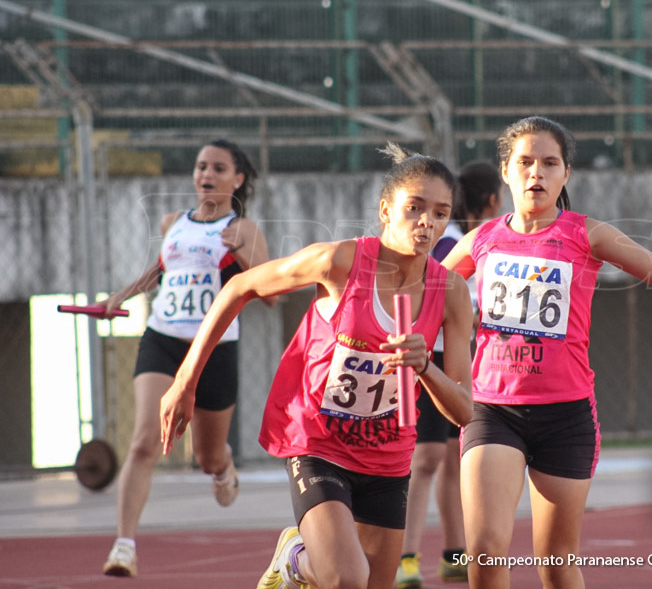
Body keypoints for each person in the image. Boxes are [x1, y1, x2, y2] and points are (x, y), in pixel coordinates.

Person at [159, 143, 475, 589]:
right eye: (415, 208)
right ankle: (293, 559)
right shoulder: (339, 262)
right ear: (386, 210)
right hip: (319, 441)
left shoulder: (452, 293)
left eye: (440, 213)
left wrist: (426, 368)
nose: (427, 223)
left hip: (387, 456)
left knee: (368, 584)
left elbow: (464, 410)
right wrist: (185, 382)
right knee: (347, 578)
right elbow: (239, 289)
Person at [441, 116, 652, 589]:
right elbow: (425, 292)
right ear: (507, 171)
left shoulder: (585, 234)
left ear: (566, 174)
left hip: (565, 416)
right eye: (526, 162)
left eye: (550, 163)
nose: (537, 173)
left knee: (555, 561)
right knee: (487, 551)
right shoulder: (481, 239)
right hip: (493, 410)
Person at [96, 139, 275, 577]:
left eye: (217, 168)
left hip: (214, 347)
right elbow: (162, 268)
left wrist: (241, 252)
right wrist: (123, 294)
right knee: (144, 441)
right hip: (163, 339)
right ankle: (124, 545)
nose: (206, 175)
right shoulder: (173, 221)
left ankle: (222, 465)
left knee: (207, 457)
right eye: (200, 167)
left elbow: (270, 295)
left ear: (237, 179)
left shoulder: (245, 228)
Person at [396, 162, 504, 588]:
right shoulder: (454, 243)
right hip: (431, 359)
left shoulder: (463, 241)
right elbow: (430, 291)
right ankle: (406, 556)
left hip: (447, 359)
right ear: (493, 201)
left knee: (448, 461)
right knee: (425, 462)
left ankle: (454, 551)